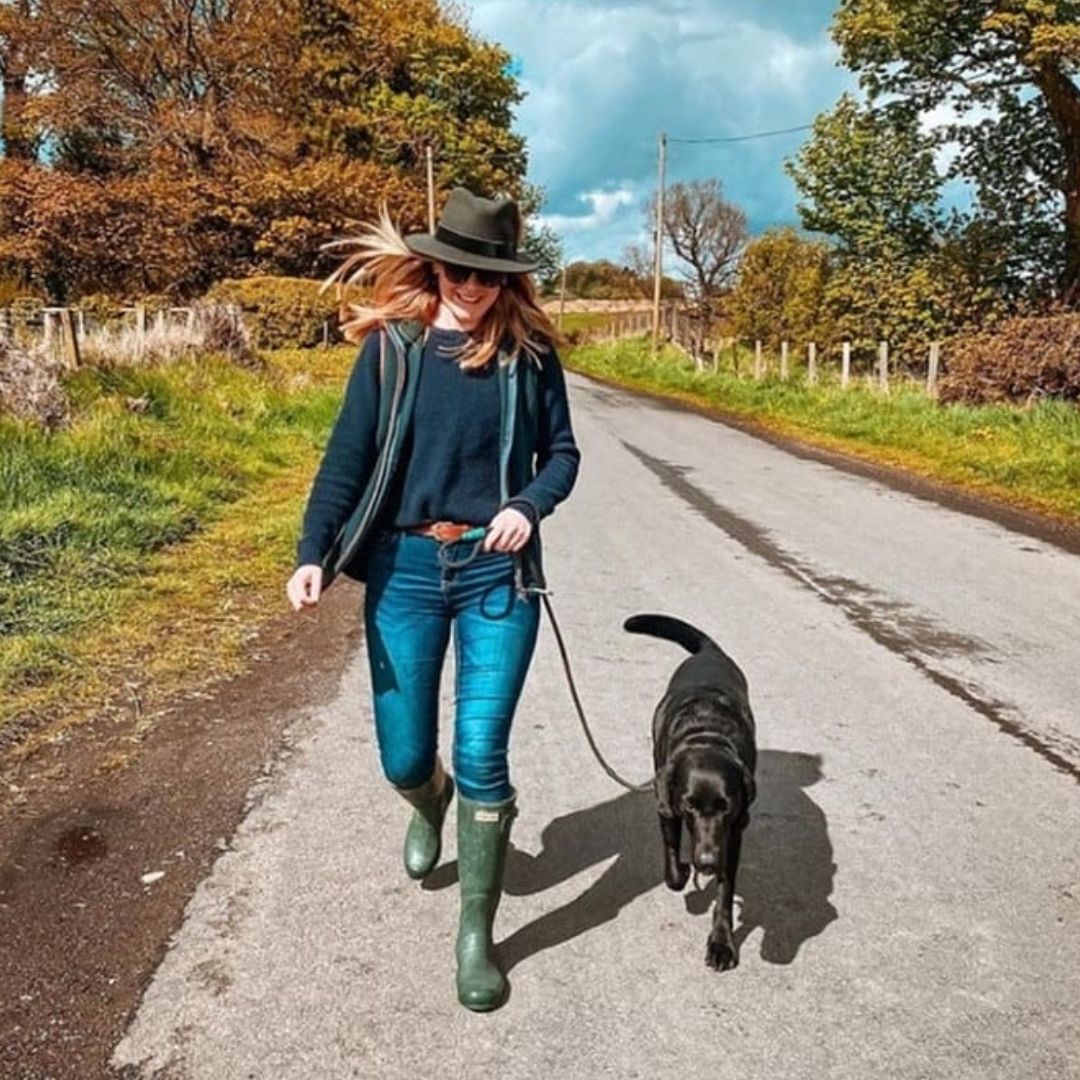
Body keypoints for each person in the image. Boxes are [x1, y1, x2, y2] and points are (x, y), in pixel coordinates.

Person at [285, 187, 580, 1011]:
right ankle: (430, 802)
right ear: (434, 262)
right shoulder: (392, 350)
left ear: (508, 279)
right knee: (405, 758)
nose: (471, 285)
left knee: (484, 749)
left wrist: (526, 506)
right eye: (458, 267)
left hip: (496, 574)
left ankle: (475, 937)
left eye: (487, 273)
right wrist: (313, 553)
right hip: (404, 573)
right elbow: (344, 461)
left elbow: (563, 455)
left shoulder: (527, 355)